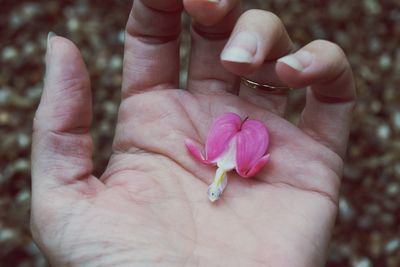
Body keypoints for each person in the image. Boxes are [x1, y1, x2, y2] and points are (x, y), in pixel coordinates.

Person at [30, 0, 356, 266]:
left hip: (229, 156)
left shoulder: (221, 163)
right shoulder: (232, 166)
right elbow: (240, 156)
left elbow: (210, 151)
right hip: (233, 157)